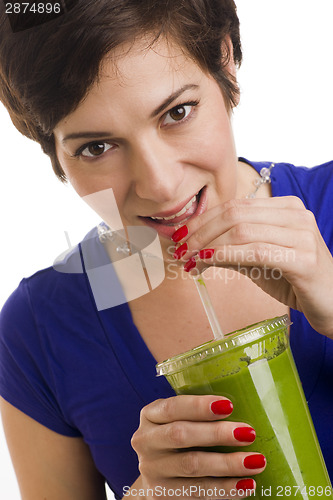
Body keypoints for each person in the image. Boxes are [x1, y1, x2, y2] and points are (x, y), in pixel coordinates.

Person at [0, 1, 333, 499]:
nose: (159, 184)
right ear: (56, 154)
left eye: (177, 112)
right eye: (96, 147)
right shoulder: (38, 330)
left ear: (225, 63)